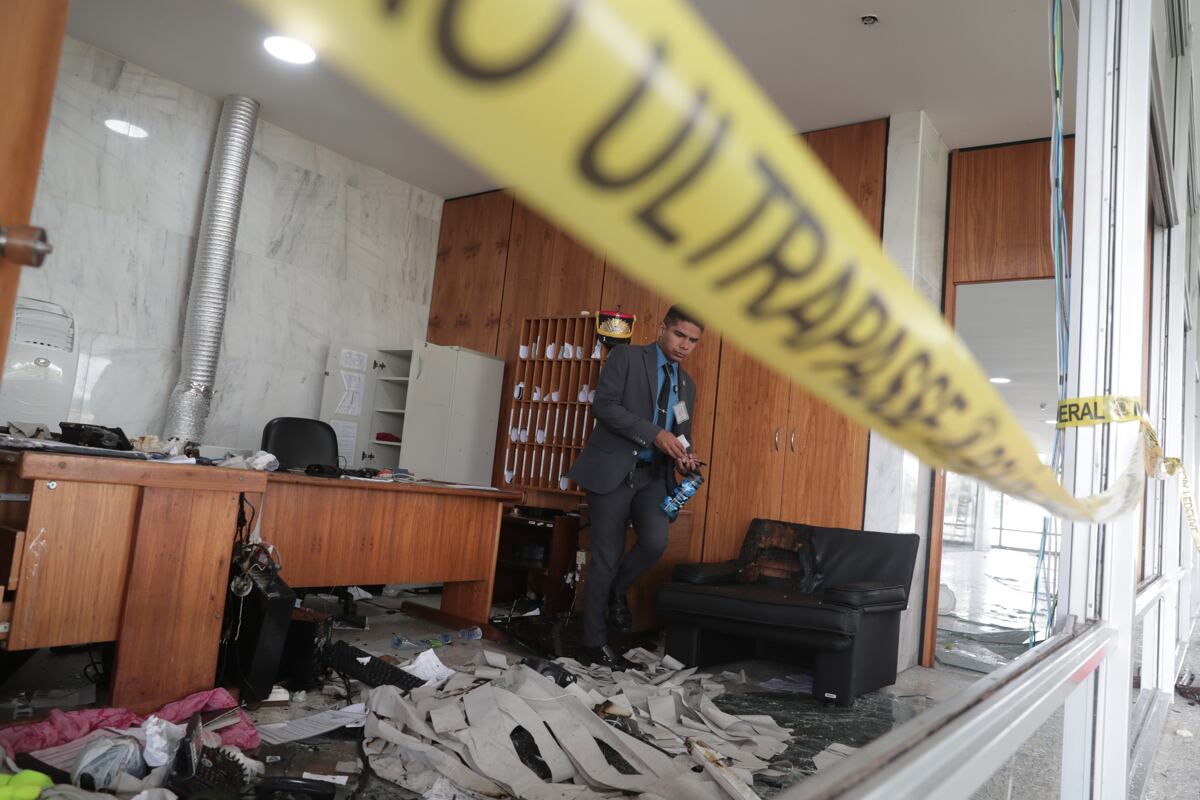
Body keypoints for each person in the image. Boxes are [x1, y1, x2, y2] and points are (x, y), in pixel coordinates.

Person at [567, 305, 704, 668]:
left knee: (656, 541)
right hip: (612, 472)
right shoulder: (627, 357)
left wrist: (684, 455)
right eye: (680, 336)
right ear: (662, 328)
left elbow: (682, 432)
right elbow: (605, 407)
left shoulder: (686, 385)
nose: (685, 345)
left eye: (693, 341)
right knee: (605, 560)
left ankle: (616, 591)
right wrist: (656, 435)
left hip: (653, 479)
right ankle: (593, 646)